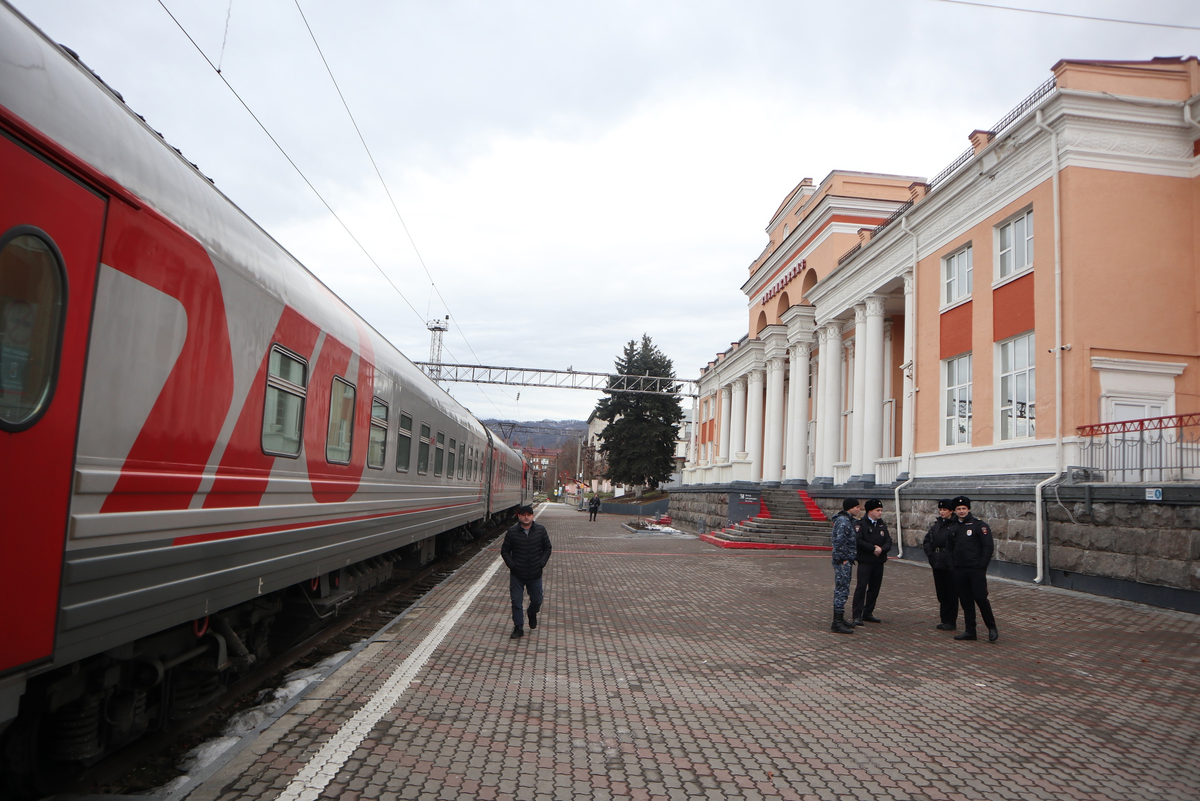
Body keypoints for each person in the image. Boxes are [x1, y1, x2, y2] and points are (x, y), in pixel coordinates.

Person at [946, 495, 999, 643]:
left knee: (981, 598)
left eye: (964, 508)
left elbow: (987, 547)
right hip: (959, 570)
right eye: (958, 509)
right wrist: (952, 566)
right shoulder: (953, 527)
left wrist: (981, 566)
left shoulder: (979, 525)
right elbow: (949, 549)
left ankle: (992, 627)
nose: (961, 511)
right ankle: (970, 630)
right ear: (955, 511)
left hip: (975, 569)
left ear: (968, 509)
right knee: (965, 600)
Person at [500, 504, 552, 640]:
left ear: (533, 516)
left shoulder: (540, 530)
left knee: (537, 599)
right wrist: (512, 565)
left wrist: (541, 563)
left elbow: (547, 548)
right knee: (516, 601)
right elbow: (505, 551)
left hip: (535, 574)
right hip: (518, 574)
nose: (526, 517)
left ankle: (532, 612)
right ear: (519, 516)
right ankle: (518, 627)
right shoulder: (512, 532)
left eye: (529, 514)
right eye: (523, 514)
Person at [851, 499, 892, 626]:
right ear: (870, 511)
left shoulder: (882, 525)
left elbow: (888, 541)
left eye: (881, 510)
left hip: (878, 561)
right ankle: (857, 615)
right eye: (877, 510)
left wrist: (882, 549)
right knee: (861, 587)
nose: (880, 513)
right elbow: (858, 540)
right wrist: (873, 548)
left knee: (874, 588)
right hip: (866, 561)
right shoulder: (860, 524)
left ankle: (868, 612)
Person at [922, 499, 959, 630]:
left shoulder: (955, 525)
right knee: (941, 592)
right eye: (941, 510)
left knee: (951, 593)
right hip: (937, 561)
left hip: (949, 563)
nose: (942, 512)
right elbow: (927, 541)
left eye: (945, 510)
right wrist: (931, 555)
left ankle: (951, 620)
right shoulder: (937, 525)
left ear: (951, 511)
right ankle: (944, 619)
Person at [829, 498, 862, 634]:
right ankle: (837, 622)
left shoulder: (847, 520)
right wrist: (842, 558)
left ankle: (840, 619)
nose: (859, 509)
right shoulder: (843, 521)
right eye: (857, 507)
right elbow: (839, 540)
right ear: (850, 508)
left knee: (844, 589)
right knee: (841, 589)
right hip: (843, 561)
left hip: (846, 559)